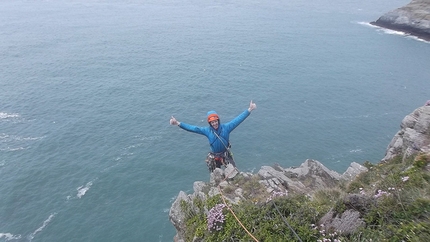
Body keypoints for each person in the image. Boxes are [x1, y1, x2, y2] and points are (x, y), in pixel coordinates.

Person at [170, 101, 257, 172]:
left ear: (218, 121)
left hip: (225, 155)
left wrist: (249, 110)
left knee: (233, 171)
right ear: (210, 123)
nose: (214, 123)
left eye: (216, 121)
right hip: (215, 157)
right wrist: (178, 123)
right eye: (212, 122)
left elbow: (238, 120)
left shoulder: (226, 128)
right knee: (216, 175)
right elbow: (193, 128)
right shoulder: (207, 131)